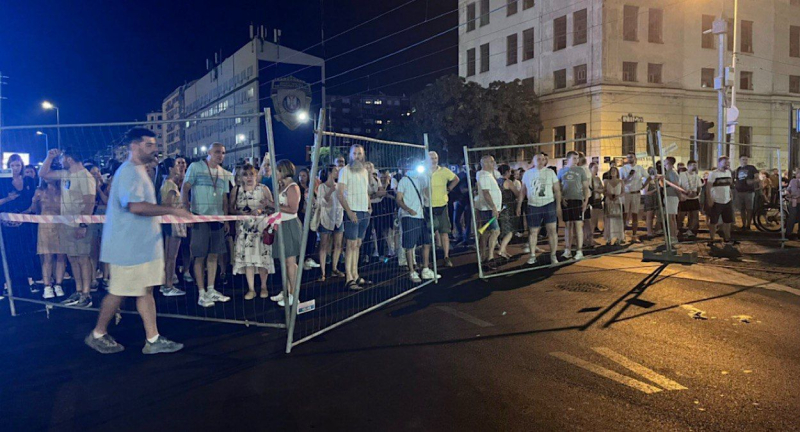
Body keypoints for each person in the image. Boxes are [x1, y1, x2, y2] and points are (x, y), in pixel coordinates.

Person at [85, 128, 189, 355]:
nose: (154, 149)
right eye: (149, 145)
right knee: (118, 291)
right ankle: (98, 333)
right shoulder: (129, 172)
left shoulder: (139, 171)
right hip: (127, 248)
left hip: (141, 247)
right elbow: (135, 206)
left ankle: (153, 339)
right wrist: (172, 210)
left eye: (154, 145)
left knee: (144, 290)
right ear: (134, 146)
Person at [40, 148, 96, 308]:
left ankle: (86, 294)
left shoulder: (86, 177)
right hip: (66, 223)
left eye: (62, 158)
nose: (60, 161)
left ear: (69, 159)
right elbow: (43, 174)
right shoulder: (66, 174)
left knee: (83, 259)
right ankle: (78, 291)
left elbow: (89, 202)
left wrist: (83, 225)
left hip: (80, 224)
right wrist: (49, 158)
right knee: (72, 258)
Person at [182, 142, 232, 308]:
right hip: (200, 217)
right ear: (209, 153)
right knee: (200, 255)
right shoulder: (196, 167)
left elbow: (224, 198)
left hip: (216, 218)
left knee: (214, 255)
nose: (220, 155)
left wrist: (225, 218)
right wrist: (186, 212)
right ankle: (201, 293)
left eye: (223, 153)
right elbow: (185, 188)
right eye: (217, 152)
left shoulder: (223, 173)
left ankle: (211, 289)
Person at [229, 164, 274, 300]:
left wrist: (261, 210)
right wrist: (240, 213)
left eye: (251, 174)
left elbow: (272, 207)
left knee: (263, 258)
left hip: (261, 230)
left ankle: (264, 286)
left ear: (256, 175)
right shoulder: (236, 190)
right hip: (244, 230)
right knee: (247, 260)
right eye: (245, 174)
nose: (248, 177)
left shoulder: (264, 189)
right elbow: (230, 209)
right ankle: (251, 288)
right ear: (240, 177)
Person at [396, 158, 439, 282]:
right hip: (409, 216)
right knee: (409, 245)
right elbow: (398, 199)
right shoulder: (404, 180)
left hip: (421, 215)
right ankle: (412, 271)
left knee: (426, 242)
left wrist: (428, 179)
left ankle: (425, 269)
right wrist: (408, 209)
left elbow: (428, 195)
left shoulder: (422, 179)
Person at [0, 154, 37, 294]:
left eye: (18, 165)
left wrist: (23, 215)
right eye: (12, 165)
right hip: (7, 224)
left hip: (25, 222)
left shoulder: (29, 181)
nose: (15, 168)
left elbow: (34, 202)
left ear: (22, 166)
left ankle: (28, 282)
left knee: (26, 252)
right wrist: (8, 199)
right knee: (9, 253)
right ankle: (7, 283)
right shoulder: (3, 181)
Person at [336, 144, 372, 290]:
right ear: (350, 155)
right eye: (354, 153)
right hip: (353, 211)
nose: (357, 156)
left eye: (359, 153)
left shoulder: (364, 171)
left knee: (357, 244)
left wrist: (369, 206)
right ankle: (349, 277)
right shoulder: (345, 171)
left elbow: (365, 191)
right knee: (350, 245)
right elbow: (339, 193)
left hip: (364, 212)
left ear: (363, 155)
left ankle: (356, 274)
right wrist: (349, 212)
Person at [518, 153, 561, 265]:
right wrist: (519, 205)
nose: (541, 161)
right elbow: (523, 191)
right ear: (533, 161)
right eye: (538, 159)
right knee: (533, 232)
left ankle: (553, 255)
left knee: (552, 231)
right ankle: (532, 256)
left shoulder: (550, 172)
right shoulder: (528, 174)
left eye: (543, 159)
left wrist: (558, 206)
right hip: (533, 206)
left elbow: (557, 190)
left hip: (548, 204)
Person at [271, 160, 303, 307]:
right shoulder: (281, 186)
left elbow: (293, 209)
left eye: (277, 171)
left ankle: (293, 294)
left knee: (290, 262)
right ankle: (286, 290)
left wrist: (273, 205)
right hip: (281, 224)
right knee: (284, 261)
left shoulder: (293, 187)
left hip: (289, 225)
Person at [28, 179, 67, 299]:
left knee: (61, 256)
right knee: (47, 257)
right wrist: (34, 201)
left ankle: (58, 284)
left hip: (61, 225)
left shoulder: (63, 190)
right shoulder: (39, 191)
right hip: (45, 226)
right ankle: (47, 286)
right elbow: (34, 210)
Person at [158, 157, 187, 297]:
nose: (180, 168)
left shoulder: (166, 183)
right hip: (173, 223)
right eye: (177, 165)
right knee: (171, 256)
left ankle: (165, 283)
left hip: (168, 223)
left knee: (168, 256)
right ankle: (168, 285)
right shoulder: (171, 186)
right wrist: (179, 210)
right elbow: (167, 205)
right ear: (171, 168)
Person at [427, 151, 459, 267]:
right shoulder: (424, 172)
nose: (434, 160)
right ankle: (428, 260)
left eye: (435, 158)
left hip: (442, 205)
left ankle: (446, 256)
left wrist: (449, 189)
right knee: (428, 233)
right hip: (427, 206)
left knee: (444, 232)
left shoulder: (444, 171)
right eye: (431, 158)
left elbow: (456, 179)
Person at [558, 151, 590, 260]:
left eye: (577, 158)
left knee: (578, 225)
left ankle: (579, 251)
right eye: (574, 158)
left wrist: (585, 201)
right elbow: (558, 187)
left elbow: (585, 187)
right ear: (568, 159)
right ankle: (567, 250)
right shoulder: (561, 171)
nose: (577, 160)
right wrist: (561, 198)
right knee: (568, 226)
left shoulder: (581, 170)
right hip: (566, 201)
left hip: (577, 200)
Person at [317, 166, 345, 281]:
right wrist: (330, 191)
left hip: (338, 217)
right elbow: (322, 202)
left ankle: (334, 268)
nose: (337, 173)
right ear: (329, 172)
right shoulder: (322, 187)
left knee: (338, 244)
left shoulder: (339, 186)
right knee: (324, 244)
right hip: (326, 218)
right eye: (335, 171)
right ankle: (322, 271)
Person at [475, 155, 502, 267]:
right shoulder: (484, 176)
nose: (493, 163)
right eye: (491, 161)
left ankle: (483, 255)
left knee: (485, 232)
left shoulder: (484, 174)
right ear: (485, 163)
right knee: (495, 231)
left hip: (486, 208)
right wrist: (494, 207)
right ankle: (490, 257)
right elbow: (486, 193)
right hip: (488, 209)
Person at [706, 156, 735, 245]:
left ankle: (727, 238)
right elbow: (708, 187)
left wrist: (730, 195)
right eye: (725, 162)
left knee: (728, 221)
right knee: (713, 221)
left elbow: (728, 185)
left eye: (728, 162)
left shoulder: (728, 172)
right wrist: (710, 199)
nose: (727, 164)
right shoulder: (713, 174)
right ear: (719, 163)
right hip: (717, 200)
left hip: (727, 200)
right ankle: (712, 238)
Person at [619, 153, 648, 243]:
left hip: (636, 193)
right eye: (627, 157)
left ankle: (634, 235)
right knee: (624, 214)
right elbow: (620, 181)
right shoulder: (623, 169)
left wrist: (643, 186)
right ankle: (622, 235)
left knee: (635, 214)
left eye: (631, 157)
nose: (629, 159)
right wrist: (628, 177)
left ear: (635, 158)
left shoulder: (639, 168)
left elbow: (648, 177)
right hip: (626, 193)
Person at [297, 168, 320, 271]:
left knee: (311, 236)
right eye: (300, 176)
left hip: (311, 216)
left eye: (304, 176)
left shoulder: (311, 188)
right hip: (301, 216)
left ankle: (308, 258)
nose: (301, 178)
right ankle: (301, 259)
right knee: (302, 237)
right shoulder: (297, 189)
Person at [497, 164, 520, 259]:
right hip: (508, 208)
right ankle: (501, 250)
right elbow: (517, 193)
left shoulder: (497, 181)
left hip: (499, 207)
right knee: (510, 231)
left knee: (502, 230)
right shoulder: (508, 182)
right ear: (507, 172)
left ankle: (504, 251)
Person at [662, 157, 686, 245]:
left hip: (671, 196)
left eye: (665, 161)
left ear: (668, 162)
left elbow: (675, 186)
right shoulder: (670, 172)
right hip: (670, 196)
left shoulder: (671, 172)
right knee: (671, 217)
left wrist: (680, 196)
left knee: (670, 217)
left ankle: (672, 236)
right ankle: (673, 235)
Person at [734, 155, 759, 231]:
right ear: (740, 160)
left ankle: (748, 225)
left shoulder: (751, 168)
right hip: (739, 191)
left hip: (749, 191)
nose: (745, 161)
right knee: (742, 209)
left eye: (746, 159)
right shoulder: (738, 169)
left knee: (749, 209)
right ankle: (743, 224)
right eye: (743, 159)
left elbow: (757, 178)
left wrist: (752, 181)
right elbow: (736, 179)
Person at [678, 160, 702, 238]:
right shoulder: (682, 175)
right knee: (681, 214)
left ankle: (690, 230)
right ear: (688, 166)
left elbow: (699, 186)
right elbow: (679, 185)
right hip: (685, 197)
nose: (695, 166)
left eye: (695, 165)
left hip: (694, 198)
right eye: (693, 165)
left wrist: (697, 193)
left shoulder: (696, 176)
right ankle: (678, 229)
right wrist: (684, 193)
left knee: (694, 214)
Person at [604, 167, 625, 245]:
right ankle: (609, 238)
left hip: (617, 201)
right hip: (609, 201)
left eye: (614, 171)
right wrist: (608, 195)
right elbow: (604, 191)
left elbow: (623, 192)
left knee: (618, 219)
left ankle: (618, 238)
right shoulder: (607, 181)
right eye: (612, 171)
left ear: (617, 172)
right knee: (609, 220)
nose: (613, 172)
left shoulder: (621, 181)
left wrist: (618, 196)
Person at [586, 162, 604, 248]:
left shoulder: (597, 178)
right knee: (590, 220)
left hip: (597, 199)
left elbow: (602, 188)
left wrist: (597, 190)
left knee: (595, 218)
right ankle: (589, 238)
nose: (596, 169)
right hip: (591, 199)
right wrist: (596, 190)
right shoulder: (588, 178)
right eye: (595, 167)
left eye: (597, 167)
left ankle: (591, 237)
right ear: (590, 168)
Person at [785, 168, 800, 239]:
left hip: (796, 201)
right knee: (792, 217)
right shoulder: (794, 181)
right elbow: (793, 192)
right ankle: (788, 233)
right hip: (794, 202)